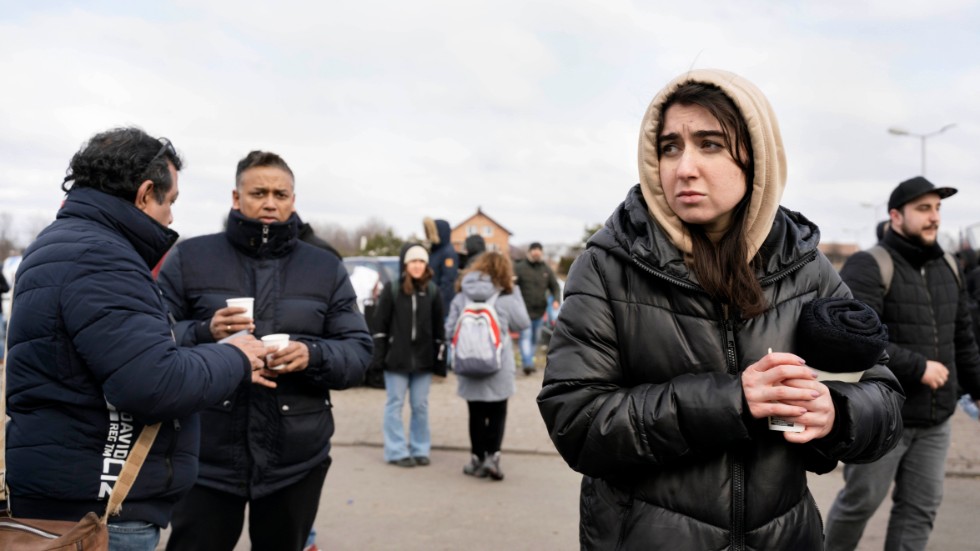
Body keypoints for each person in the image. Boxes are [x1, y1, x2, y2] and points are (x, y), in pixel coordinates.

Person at [536, 69, 905, 549]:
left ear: (757, 155)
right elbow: (576, 421)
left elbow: (885, 393)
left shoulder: (805, 264)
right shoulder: (607, 266)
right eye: (669, 147)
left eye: (709, 144)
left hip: (784, 537)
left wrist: (836, 412)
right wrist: (733, 401)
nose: (683, 167)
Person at [3, 127, 270, 551]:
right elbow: (153, 383)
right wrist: (235, 357)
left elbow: (122, 356)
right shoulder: (99, 257)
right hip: (98, 516)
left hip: (69, 497)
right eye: (171, 202)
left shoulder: (64, 244)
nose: (172, 218)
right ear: (147, 193)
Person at [157, 150, 372, 551]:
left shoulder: (325, 267)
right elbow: (153, 340)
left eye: (281, 193)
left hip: (295, 457)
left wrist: (312, 355)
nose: (270, 202)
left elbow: (358, 353)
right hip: (206, 452)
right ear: (236, 198)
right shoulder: (190, 257)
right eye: (258, 192)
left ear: (293, 199)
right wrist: (206, 330)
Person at [824, 176, 980, 551]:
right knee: (859, 505)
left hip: (936, 420)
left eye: (938, 209)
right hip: (883, 418)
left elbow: (963, 337)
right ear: (896, 216)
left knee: (919, 510)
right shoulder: (869, 264)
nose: (934, 218)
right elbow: (853, 339)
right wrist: (917, 366)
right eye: (924, 209)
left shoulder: (950, 268)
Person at [444, 251, 530, 481]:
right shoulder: (506, 295)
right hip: (498, 365)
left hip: (468, 362)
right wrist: (515, 290)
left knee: (475, 413)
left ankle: (476, 458)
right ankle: (493, 458)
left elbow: (449, 328)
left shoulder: (462, 295)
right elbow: (523, 323)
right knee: (498, 412)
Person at [372, 243, 446, 467]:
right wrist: (378, 359)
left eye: (421, 261)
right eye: (413, 261)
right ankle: (396, 451)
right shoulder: (392, 289)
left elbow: (439, 329)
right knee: (394, 404)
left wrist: (440, 363)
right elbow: (379, 326)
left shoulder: (432, 292)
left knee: (420, 406)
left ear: (426, 265)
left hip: (423, 360)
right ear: (406, 264)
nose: (417, 266)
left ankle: (420, 448)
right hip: (396, 359)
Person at [513, 242, 561, 375]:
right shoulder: (519, 267)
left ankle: (529, 361)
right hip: (523, 311)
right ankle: (527, 363)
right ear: (529, 252)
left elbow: (555, 286)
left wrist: (556, 300)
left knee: (535, 339)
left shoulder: (546, 269)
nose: (536, 252)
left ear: (541, 252)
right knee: (525, 337)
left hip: (540, 312)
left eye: (539, 250)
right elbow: (512, 286)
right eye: (534, 250)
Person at [423, 217, 459, 312]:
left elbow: (448, 281)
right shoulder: (435, 251)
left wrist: (438, 303)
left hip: (442, 306)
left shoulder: (448, 253)